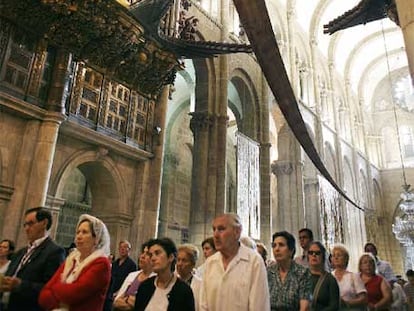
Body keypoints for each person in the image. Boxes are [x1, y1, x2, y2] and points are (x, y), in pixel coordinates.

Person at [38, 214, 111, 311]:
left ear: (96, 239)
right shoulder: (71, 259)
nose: (79, 236)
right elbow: (43, 296)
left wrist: (55, 289)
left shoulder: (101, 263)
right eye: (78, 232)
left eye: (84, 232)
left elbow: (73, 293)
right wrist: (61, 296)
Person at [200, 213, 270, 311]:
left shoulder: (254, 261)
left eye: (221, 229)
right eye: (214, 229)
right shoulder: (210, 263)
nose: (215, 235)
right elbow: (204, 305)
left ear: (237, 232)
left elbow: (259, 306)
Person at [0, 207, 65, 311]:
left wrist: (21, 285)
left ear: (44, 223)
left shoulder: (54, 252)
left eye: (31, 223)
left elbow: (51, 288)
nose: (26, 228)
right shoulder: (20, 252)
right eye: (25, 224)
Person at [134, 237, 195, 311]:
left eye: (157, 253)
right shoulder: (145, 286)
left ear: (171, 257)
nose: (153, 258)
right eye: (151, 255)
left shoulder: (183, 291)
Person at [268, 230, 311, 310]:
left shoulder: (302, 273)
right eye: (274, 245)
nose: (277, 249)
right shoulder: (268, 272)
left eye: (281, 245)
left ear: (291, 250)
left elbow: (304, 307)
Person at [113, 241, 155, 311]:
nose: (142, 256)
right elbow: (116, 301)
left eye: (147, 254)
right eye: (142, 252)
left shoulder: (156, 280)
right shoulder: (132, 275)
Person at [331, 244, 367, 310]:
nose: (336, 257)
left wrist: (346, 303)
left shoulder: (354, 276)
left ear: (345, 258)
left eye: (339, 255)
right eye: (334, 255)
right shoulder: (329, 277)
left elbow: (363, 299)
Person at [307, 241, 339, 310]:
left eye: (317, 253)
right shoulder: (300, 277)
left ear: (323, 256)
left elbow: (334, 306)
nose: (314, 255)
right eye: (311, 253)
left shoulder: (330, 280)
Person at [176, 244, 202, 310]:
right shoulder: (171, 282)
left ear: (193, 264)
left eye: (184, 260)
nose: (179, 264)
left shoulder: (200, 285)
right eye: (178, 260)